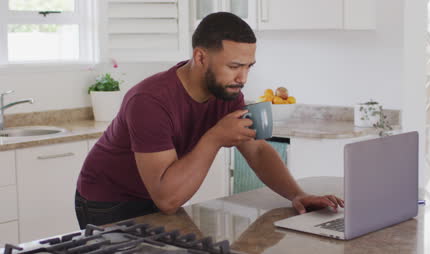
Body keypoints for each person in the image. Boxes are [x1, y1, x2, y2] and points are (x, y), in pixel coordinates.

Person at [75, 12, 344, 229]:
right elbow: (167, 200)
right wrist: (215, 138)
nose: (243, 78)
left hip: (159, 194)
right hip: (109, 200)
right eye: (234, 66)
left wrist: (296, 194)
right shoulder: (148, 100)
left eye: (248, 66)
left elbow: (258, 149)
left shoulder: (227, 91)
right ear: (201, 57)